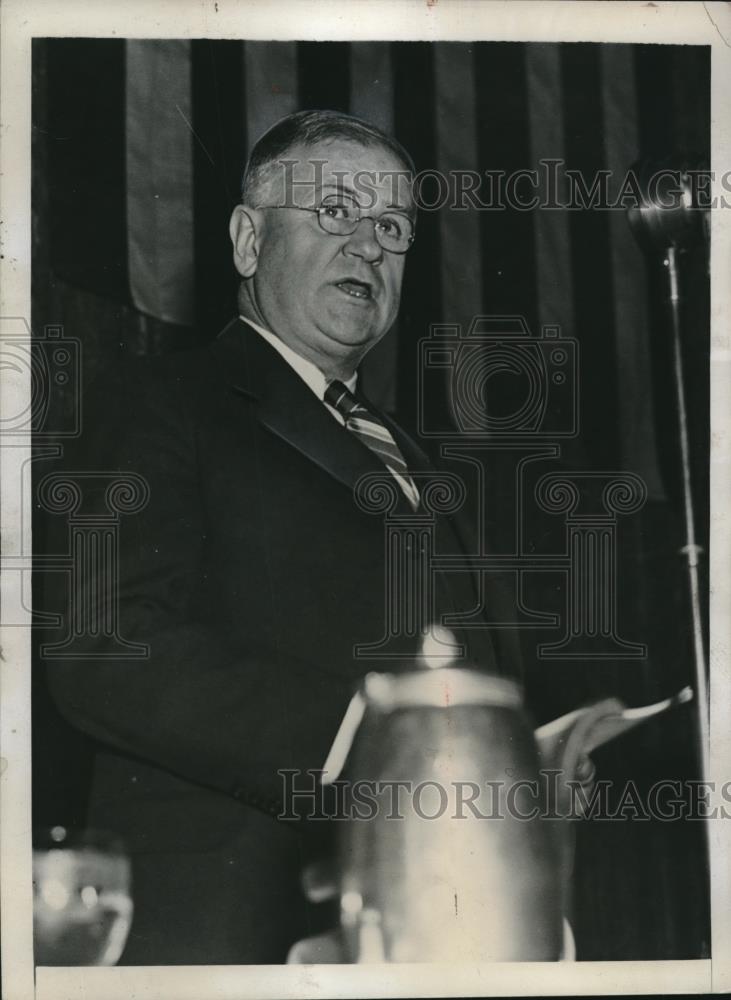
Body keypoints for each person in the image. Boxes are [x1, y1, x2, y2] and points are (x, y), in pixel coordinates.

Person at [47, 110, 519, 964]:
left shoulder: (420, 460)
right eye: (334, 211)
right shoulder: (155, 401)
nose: (368, 245)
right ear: (247, 240)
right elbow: (107, 646)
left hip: (435, 920)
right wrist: (361, 738)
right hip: (236, 927)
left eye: (392, 227)